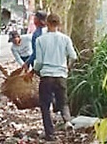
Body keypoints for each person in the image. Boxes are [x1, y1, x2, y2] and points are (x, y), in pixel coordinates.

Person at [34, 13, 78, 141]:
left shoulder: (40, 40)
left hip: (47, 76)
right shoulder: (65, 39)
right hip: (61, 75)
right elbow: (73, 56)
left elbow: (39, 62)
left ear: (46, 23)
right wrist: (67, 67)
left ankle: (50, 133)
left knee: (45, 105)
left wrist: (36, 71)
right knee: (63, 102)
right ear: (59, 24)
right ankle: (67, 121)